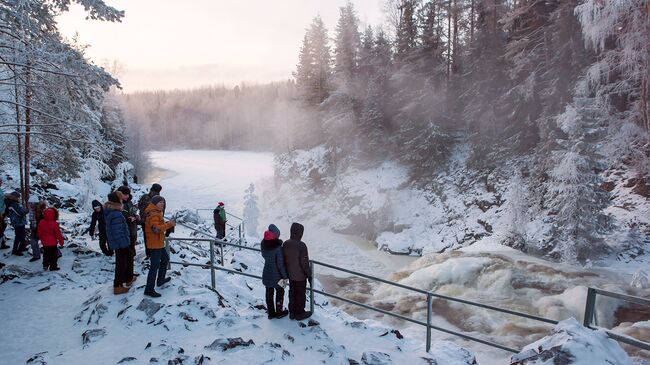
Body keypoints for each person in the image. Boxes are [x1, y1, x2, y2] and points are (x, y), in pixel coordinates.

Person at [143, 195, 176, 298]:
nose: (162, 204)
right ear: (155, 203)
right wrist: (169, 225)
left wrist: (167, 224)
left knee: (165, 259)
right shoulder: (154, 214)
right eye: (160, 202)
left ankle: (160, 280)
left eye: (163, 202)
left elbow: (157, 227)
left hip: (158, 242)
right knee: (154, 266)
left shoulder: (156, 212)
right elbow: (156, 229)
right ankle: (149, 289)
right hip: (155, 244)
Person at [282, 222, 313, 320]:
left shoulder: (286, 243)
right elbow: (304, 263)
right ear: (300, 233)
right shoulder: (302, 246)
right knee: (300, 294)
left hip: (290, 274)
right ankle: (299, 313)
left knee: (292, 292)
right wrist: (309, 276)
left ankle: (292, 312)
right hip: (300, 276)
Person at [104, 191, 132, 295]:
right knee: (121, 264)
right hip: (121, 244)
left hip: (118, 243)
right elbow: (118, 232)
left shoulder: (112, 212)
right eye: (120, 198)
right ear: (117, 200)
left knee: (123, 262)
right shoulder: (116, 214)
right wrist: (124, 244)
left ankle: (125, 280)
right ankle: (118, 286)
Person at [261, 224, 289, 319]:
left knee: (269, 293)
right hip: (277, 275)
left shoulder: (263, 244)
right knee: (280, 292)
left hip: (267, 273)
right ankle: (279, 311)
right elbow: (280, 265)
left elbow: (265, 256)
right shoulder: (278, 248)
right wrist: (285, 276)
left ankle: (271, 313)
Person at [117, 186, 139, 280]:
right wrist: (130, 219)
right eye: (124, 194)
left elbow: (133, 212)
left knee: (131, 254)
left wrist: (136, 217)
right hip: (125, 233)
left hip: (132, 231)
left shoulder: (129, 203)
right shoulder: (118, 204)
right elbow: (119, 220)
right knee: (126, 255)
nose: (126, 196)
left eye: (127, 194)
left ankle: (130, 273)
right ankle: (126, 276)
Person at [138, 183, 162, 258]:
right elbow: (162, 210)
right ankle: (152, 254)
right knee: (153, 237)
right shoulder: (159, 199)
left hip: (146, 221)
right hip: (150, 222)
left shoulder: (144, 197)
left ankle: (149, 254)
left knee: (147, 237)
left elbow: (139, 206)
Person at [6, 191, 28, 256]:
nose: (19, 198)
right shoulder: (14, 204)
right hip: (18, 222)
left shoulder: (11, 203)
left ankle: (21, 247)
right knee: (19, 236)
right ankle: (16, 250)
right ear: (14, 197)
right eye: (18, 197)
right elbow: (20, 213)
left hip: (17, 221)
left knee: (21, 235)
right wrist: (27, 210)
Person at [27, 197, 45, 262]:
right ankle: (36, 255)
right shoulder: (31, 210)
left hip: (41, 229)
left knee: (46, 243)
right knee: (33, 242)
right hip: (34, 229)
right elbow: (32, 220)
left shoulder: (41, 211)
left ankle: (57, 253)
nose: (30, 205)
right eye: (29, 203)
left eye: (32, 204)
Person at [0, 177, 9, 249]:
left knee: (3, 227)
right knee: (1, 228)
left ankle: (2, 243)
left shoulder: (0, 190)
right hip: (0, 212)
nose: (1, 183)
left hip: (3, 212)